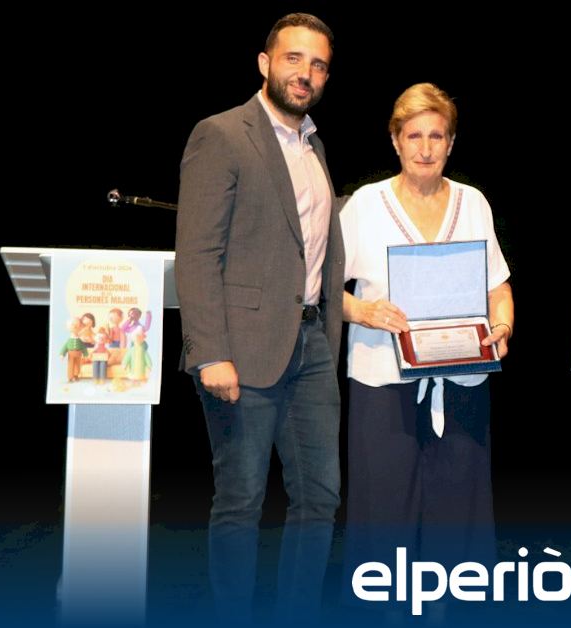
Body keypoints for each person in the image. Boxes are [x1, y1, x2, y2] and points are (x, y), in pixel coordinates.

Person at [174, 12, 343, 624]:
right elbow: (197, 252)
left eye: (318, 64)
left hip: (313, 344)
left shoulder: (314, 146)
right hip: (242, 350)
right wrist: (210, 351)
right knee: (241, 501)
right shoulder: (222, 134)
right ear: (265, 63)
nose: (306, 73)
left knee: (320, 498)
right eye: (294, 58)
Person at [338, 83, 514, 605]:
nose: (425, 148)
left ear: (451, 143)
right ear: (395, 140)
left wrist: (503, 326)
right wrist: (363, 311)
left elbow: (498, 287)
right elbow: (320, 287)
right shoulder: (365, 205)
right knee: (382, 519)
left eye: (436, 136)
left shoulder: (472, 202)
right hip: (382, 382)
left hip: (461, 381)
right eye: (413, 135)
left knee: (458, 520)